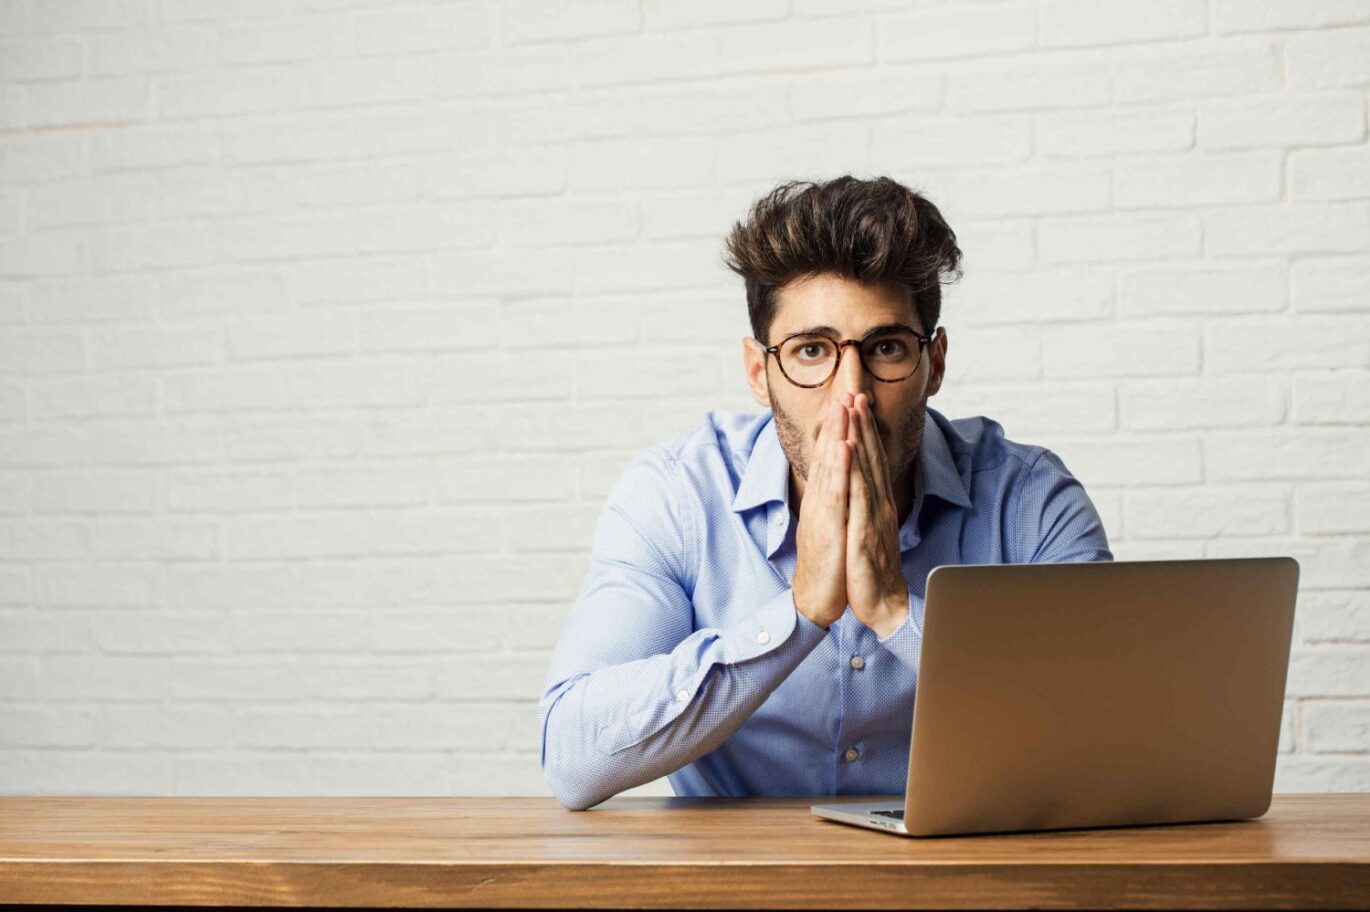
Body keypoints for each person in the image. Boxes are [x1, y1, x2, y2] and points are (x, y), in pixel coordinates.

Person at [538, 175, 1113, 811]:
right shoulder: (678, 495)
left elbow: (1109, 740)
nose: (851, 394)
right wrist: (798, 614)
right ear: (760, 372)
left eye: (886, 348)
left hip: (962, 868)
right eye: (811, 351)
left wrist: (898, 612)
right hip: (739, 871)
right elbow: (573, 759)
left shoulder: (1029, 500)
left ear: (935, 363)